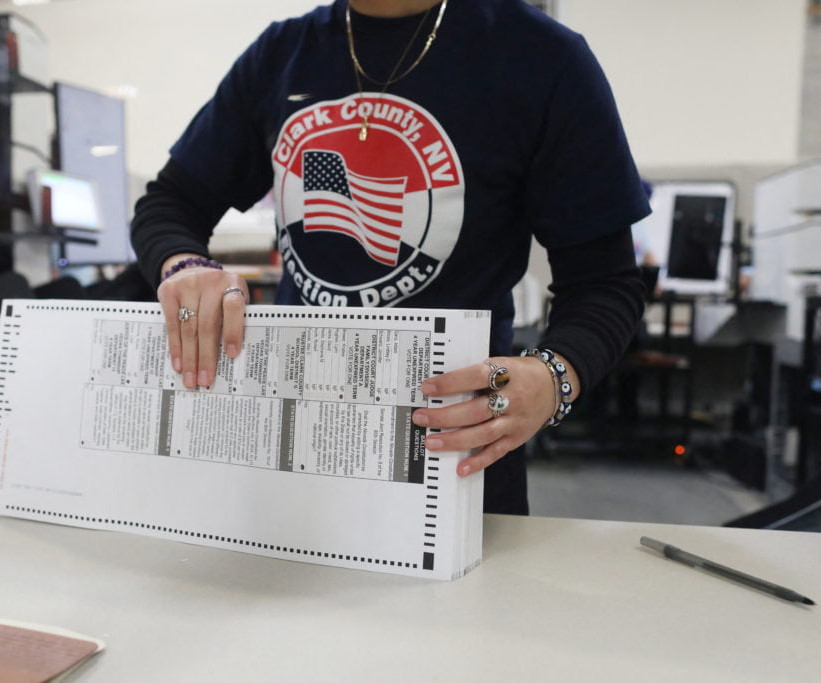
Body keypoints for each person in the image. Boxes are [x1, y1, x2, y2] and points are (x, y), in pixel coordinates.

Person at [131, 0, 650, 514]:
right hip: (294, 442)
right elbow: (169, 205)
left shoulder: (541, 56)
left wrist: (552, 378)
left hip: (455, 451)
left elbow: (605, 284)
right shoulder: (284, 52)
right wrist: (184, 263)